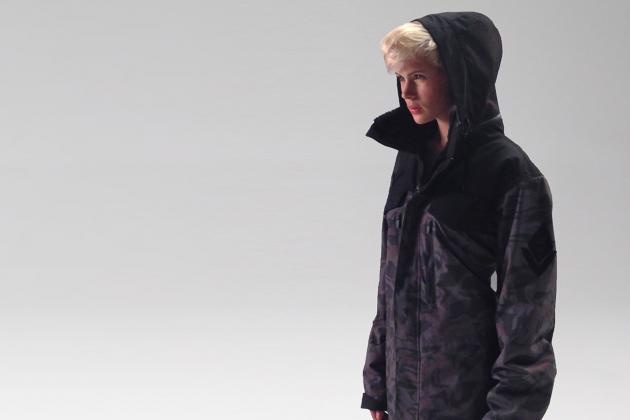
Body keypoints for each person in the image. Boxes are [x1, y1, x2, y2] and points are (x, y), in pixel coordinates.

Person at [360, 12, 557, 420]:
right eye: (401, 78)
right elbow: (390, 282)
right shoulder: (412, 159)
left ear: (461, 75)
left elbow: (527, 320)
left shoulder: (511, 175)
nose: (406, 91)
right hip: (402, 401)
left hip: (468, 403)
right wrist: (378, 385)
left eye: (419, 76)